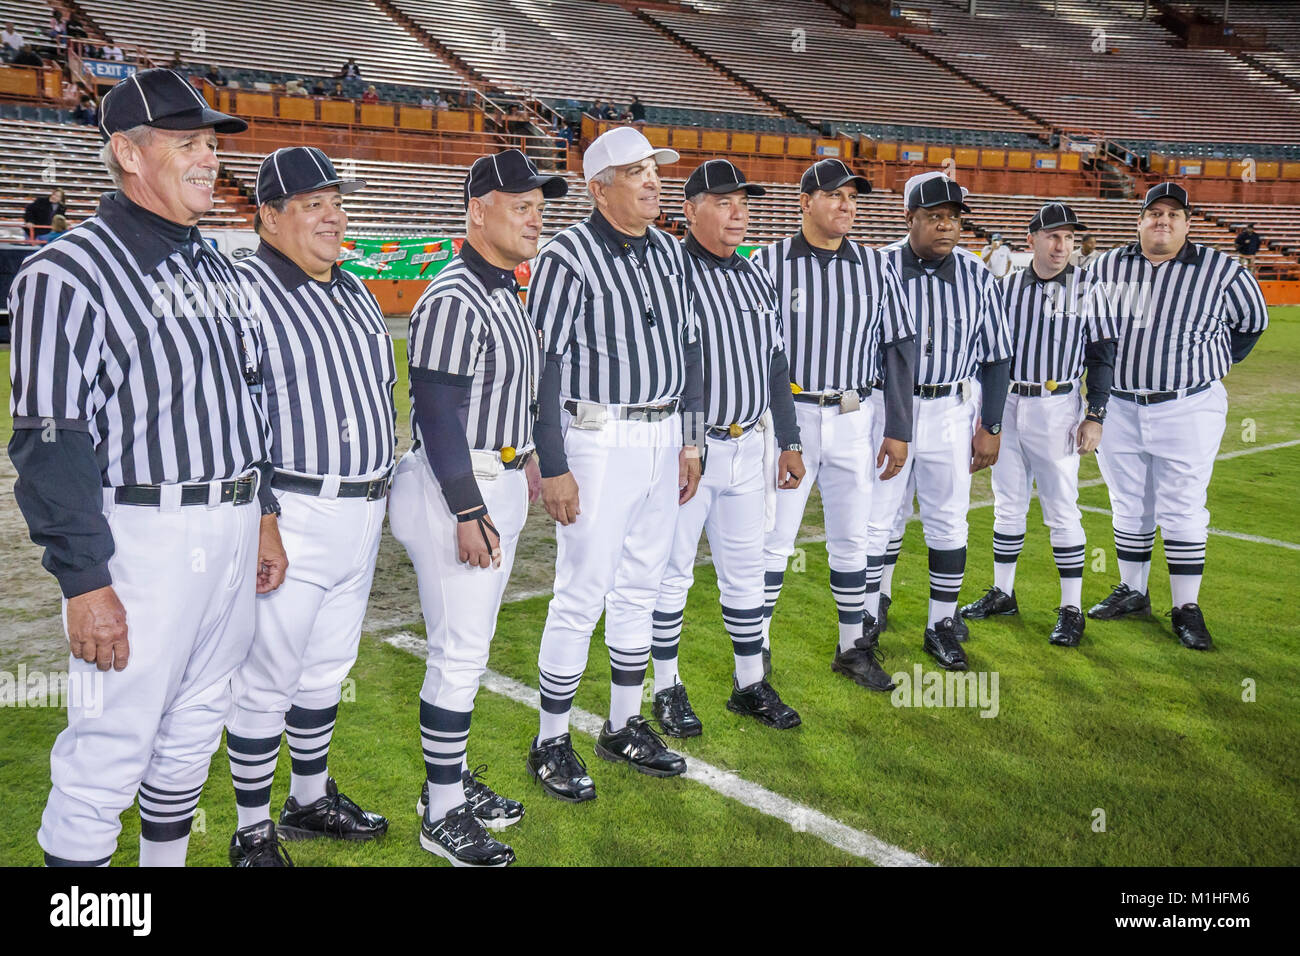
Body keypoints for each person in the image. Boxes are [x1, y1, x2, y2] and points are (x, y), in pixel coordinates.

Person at [7, 67, 285, 868]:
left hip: (231, 527)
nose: (208, 159)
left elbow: (251, 404)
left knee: (196, 727)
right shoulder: (67, 273)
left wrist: (262, 516)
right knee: (107, 752)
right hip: (143, 536)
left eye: (210, 144)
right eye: (188, 143)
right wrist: (85, 581)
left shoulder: (223, 271)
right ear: (127, 153)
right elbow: (49, 442)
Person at [390, 149, 566, 866]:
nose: (535, 217)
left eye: (539, 206)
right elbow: (435, 414)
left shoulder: (503, 290)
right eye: (519, 205)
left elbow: (510, 400)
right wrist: (468, 508)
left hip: (492, 481)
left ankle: (450, 781)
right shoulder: (454, 295)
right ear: (477, 211)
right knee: (459, 653)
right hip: (454, 488)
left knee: (468, 644)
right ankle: (442, 813)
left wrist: (524, 457)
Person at [223, 147, 394, 866]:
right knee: (268, 674)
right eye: (313, 203)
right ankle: (251, 827)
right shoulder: (244, 291)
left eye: (336, 201)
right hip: (291, 509)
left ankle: (308, 797)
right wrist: (262, 518)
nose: (332, 215)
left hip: (361, 510)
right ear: (268, 214)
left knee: (326, 668)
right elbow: (233, 414)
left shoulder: (354, 288)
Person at [525, 126, 701, 802]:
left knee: (641, 586)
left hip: (660, 439)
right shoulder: (567, 255)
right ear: (600, 189)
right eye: (636, 172)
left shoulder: (668, 250)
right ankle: (550, 739)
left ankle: (623, 725)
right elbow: (542, 364)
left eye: (655, 169)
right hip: (598, 436)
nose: (654, 180)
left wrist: (688, 441)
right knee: (583, 590)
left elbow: (688, 352)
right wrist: (554, 459)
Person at [649, 159, 806, 736]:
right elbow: (679, 367)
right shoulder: (670, 270)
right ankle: (665, 688)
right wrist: (690, 445)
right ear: (689, 211)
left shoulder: (755, 274)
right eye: (723, 201)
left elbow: (774, 363)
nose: (738, 211)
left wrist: (788, 439)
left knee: (745, 571)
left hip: (748, 445)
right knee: (672, 575)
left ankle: (749, 683)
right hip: (690, 450)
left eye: (743, 201)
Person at [753, 159, 914, 692]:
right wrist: (780, 432)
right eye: (834, 195)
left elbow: (897, 347)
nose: (846, 205)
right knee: (775, 538)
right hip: (790, 413)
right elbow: (759, 354)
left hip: (854, 414)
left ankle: (852, 648)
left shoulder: (875, 265)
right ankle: (758, 644)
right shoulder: (769, 263)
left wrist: (899, 426)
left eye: (852, 196)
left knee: (853, 538)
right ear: (804, 202)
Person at [1085, 183, 1268, 650]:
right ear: (1139, 220)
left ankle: (1186, 605)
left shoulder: (1222, 271)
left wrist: (1209, 364)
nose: (1162, 220)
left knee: (1183, 505)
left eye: (1173, 214)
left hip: (1188, 404)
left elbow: (1252, 324)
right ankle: (1134, 590)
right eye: (1154, 213)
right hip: (1120, 405)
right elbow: (1088, 331)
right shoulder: (1104, 266)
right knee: (1128, 501)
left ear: (1188, 222)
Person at [872, 172, 1013, 672]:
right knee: (877, 519)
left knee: (948, 519)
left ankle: (940, 623)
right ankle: (869, 614)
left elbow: (998, 357)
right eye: (935, 217)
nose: (947, 227)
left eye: (953, 218)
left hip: (951, 409)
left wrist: (991, 425)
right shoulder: (878, 267)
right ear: (909, 217)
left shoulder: (977, 274)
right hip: (888, 409)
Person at [959, 202, 1116, 647]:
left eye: (1068, 236)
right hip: (1008, 401)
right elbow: (986, 353)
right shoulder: (1006, 288)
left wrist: (1095, 414)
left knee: (1061, 507)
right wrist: (985, 416)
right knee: (1007, 501)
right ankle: (1003, 592)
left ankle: (1071, 607)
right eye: (1053, 235)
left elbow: (1102, 356)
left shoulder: (1088, 287)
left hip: (1056, 402)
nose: (1061, 244)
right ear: (1031, 241)